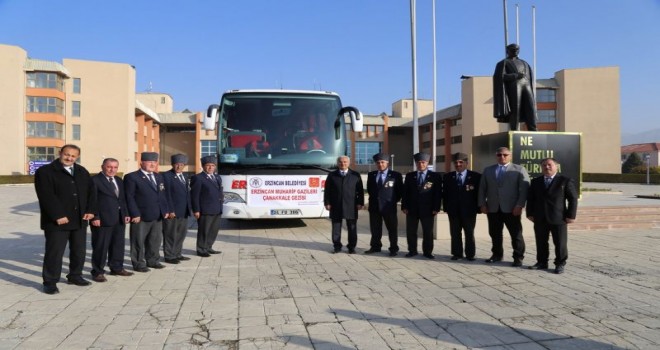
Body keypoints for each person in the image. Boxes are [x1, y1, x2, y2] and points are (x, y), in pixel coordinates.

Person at [34, 144, 96, 294]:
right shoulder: (45, 172)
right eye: (67, 154)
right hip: (57, 222)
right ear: (60, 153)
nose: (69, 158)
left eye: (73, 156)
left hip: (79, 220)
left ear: (77, 157)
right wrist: (57, 215)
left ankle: (75, 275)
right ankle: (50, 281)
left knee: (79, 251)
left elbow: (91, 192)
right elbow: (46, 195)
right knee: (55, 252)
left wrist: (90, 210)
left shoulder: (82, 171)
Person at [478, 147, 530, 267]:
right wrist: (482, 204)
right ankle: (497, 255)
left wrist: (520, 205)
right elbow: (482, 189)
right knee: (495, 233)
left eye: (505, 155)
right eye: (499, 155)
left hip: (512, 209)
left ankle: (518, 257)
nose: (502, 157)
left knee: (516, 234)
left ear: (510, 156)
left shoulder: (519, 169)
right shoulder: (488, 170)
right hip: (493, 208)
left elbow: (524, 190)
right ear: (496, 156)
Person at [526, 158, 578, 274]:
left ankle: (560, 263)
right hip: (540, 218)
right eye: (544, 165)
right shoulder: (536, 181)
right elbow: (531, 199)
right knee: (541, 241)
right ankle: (541, 262)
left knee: (560, 243)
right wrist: (529, 213)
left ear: (556, 166)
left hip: (558, 217)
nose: (547, 167)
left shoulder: (565, 181)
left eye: (549, 165)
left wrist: (571, 215)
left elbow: (573, 199)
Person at [124, 152, 172, 272]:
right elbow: (129, 197)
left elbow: (162, 195)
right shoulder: (132, 177)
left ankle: (153, 260)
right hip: (141, 216)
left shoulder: (158, 177)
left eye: (154, 162)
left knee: (155, 240)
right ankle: (138, 263)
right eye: (149, 162)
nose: (152, 164)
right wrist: (134, 213)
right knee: (138, 241)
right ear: (142, 163)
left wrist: (165, 210)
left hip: (157, 215)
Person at [90, 158, 133, 282]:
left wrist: (125, 213)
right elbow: (92, 200)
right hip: (102, 220)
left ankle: (116, 267)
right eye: (109, 167)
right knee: (101, 246)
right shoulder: (95, 180)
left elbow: (122, 199)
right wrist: (95, 216)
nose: (112, 170)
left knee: (118, 245)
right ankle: (97, 271)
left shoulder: (119, 180)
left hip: (119, 219)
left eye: (115, 167)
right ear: (103, 166)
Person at [442, 152, 481, 261]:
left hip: (469, 211)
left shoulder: (476, 176)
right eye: (456, 162)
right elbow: (445, 194)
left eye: (461, 162)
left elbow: (479, 194)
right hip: (453, 211)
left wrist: (479, 208)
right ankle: (457, 253)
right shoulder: (448, 177)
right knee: (455, 233)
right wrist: (446, 208)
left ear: (466, 163)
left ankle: (470, 254)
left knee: (469, 233)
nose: (458, 164)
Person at [401, 152, 442, 259]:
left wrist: (436, 208)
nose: (421, 165)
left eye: (423, 162)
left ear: (427, 163)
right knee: (411, 232)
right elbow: (405, 193)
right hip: (411, 209)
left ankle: (428, 252)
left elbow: (438, 194)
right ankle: (412, 250)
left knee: (428, 232)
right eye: (418, 163)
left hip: (428, 210)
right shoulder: (410, 176)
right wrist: (404, 206)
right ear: (416, 163)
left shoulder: (435, 176)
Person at [324, 155, 364, 254]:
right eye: (341, 162)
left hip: (351, 205)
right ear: (338, 163)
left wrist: (360, 203)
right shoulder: (332, 175)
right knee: (336, 227)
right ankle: (337, 246)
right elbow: (327, 190)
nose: (343, 164)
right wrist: (327, 203)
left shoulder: (355, 175)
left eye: (345, 162)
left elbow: (360, 191)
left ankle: (351, 247)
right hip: (335, 205)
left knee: (352, 228)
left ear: (349, 163)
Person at [493, 43, 538, 131]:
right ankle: (515, 129)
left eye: (517, 50)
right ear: (507, 51)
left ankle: (533, 129)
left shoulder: (524, 63)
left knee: (530, 107)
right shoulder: (503, 63)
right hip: (514, 86)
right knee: (515, 108)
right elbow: (500, 77)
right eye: (513, 50)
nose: (515, 51)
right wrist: (515, 75)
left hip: (527, 85)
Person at [365, 152, 403, 256]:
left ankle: (393, 248)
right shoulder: (371, 175)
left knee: (392, 229)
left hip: (389, 207)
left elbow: (399, 191)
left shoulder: (395, 175)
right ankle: (375, 247)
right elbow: (370, 190)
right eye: (378, 162)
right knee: (375, 229)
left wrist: (391, 201)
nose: (380, 164)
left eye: (382, 162)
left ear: (387, 163)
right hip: (374, 207)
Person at [190, 156, 224, 257]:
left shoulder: (217, 177)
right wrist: (196, 210)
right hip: (205, 210)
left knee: (213, 230)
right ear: (203, 166)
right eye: (208, 165)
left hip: (217, 209)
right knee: (204, 230)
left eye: (213, 165)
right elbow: (194, 196)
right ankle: (201, 249)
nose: (210, 168)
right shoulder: (198, 178)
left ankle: (208, 247)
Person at [162, 154, 192, 264]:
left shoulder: (184, 176)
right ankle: (169, 256)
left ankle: (177, 254)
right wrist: (170, 210)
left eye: (182, 164)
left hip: (183, 211)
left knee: (181, 234)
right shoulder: (166, 176)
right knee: (170, 234)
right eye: (177, 164)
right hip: (172, 211)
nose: (179, 167)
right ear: (172, 164)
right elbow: (166, 194)